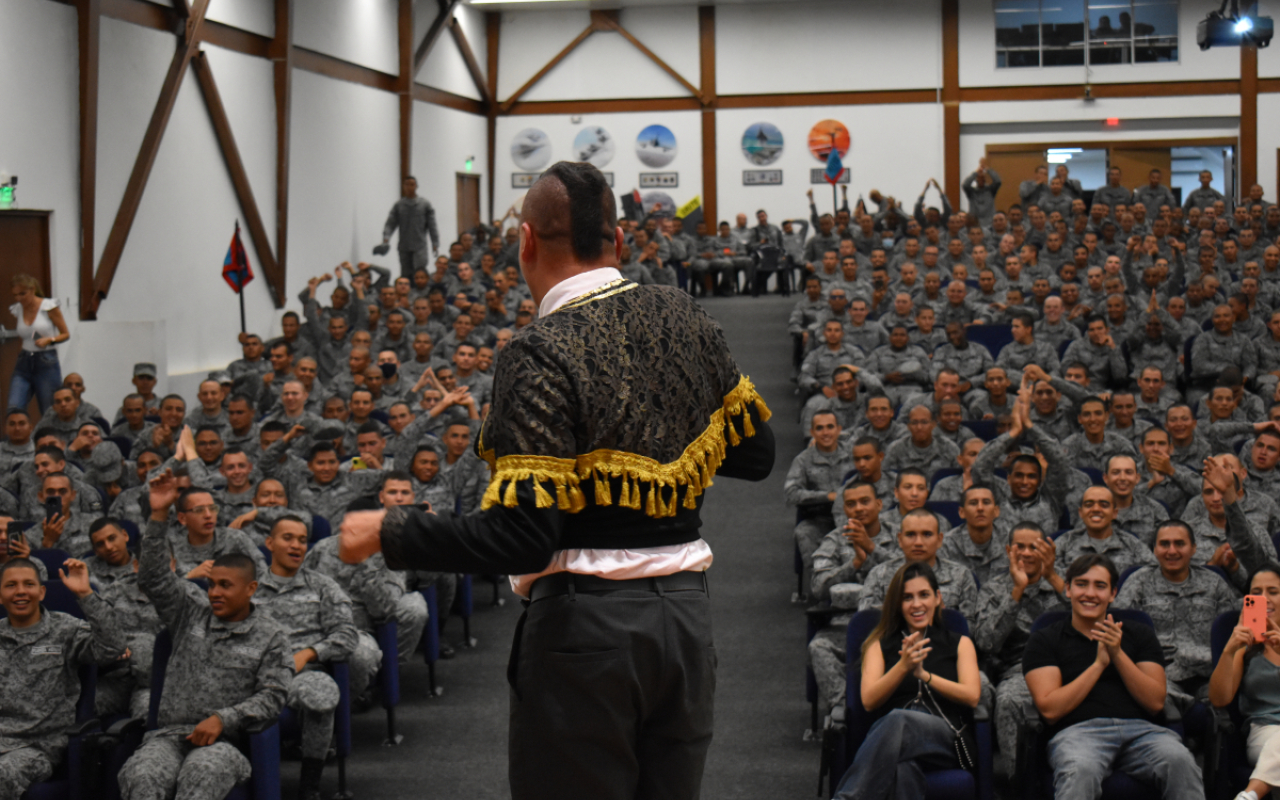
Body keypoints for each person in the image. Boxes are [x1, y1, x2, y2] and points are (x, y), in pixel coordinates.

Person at [338, 161, 775, 800]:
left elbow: (521, 537)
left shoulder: (538, 351)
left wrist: (390, 528)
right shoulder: (681, 314)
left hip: (585, 634)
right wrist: (648, 420)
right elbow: (756, 452)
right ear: (618, 242)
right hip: (685, 623)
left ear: (525, 241)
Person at [118, 470, 292, 800]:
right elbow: (153, 579)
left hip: (225, 741)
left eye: (225, 586)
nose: (214, 592)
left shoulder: (271, 636)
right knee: (140, 775)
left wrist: (223, 719)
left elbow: (274, 696)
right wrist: (157, 516)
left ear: (251, 589)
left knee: (201, 776)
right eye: (212, 584)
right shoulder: (190, 612)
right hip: (168, 735)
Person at [1022, 553, 1203, 799]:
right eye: (1082, 584)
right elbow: (1051, 710)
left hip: (1142, 731)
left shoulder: (1139, 634)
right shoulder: (1045, 639)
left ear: (1113, 594)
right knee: (1080, 769)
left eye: (1100, 586)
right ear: (1068, 589)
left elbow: (1155, 702)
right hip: (1078, 733)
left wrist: (1117, 654)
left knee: (1181, 761)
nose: (1090, 593)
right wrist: (1098, 665)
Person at [829, 561, 981, 800]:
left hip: (945, 738)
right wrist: (903, 667)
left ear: (938, 597)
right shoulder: (878, 644)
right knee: (902, 769)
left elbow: (972, 696)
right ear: (898, 604)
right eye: (907, 597)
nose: (917, 604)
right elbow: (869, 701)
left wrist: (924, 675)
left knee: (899, 720)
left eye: (924, 595)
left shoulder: (960, 643)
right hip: (891, 741)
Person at [256, 515, 367, 800]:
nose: (296, 546)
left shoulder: (323, 586)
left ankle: (309, 786)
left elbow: (347, 635)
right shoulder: (248, 587)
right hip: (252, 673)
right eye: (288, 538)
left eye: (302, 540)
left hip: (301, 675)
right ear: (270, 543)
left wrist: (309, 653)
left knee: (321, 690)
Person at [0, 555, 125, 797]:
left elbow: (113, 648)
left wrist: (86, 595)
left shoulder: (65, 630)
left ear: (42, 591)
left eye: (28, 584)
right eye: (11, 585)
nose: (20, 592)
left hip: (37, 747)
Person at [1115, 520, 1236, 705]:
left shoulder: (1214, 582)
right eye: (1164, 544)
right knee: (1166, 702)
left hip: (1208, 672)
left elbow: (1229, 632)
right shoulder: (1138, 581)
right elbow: (1122, 629)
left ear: (1193, 548)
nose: (1172, 551)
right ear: (1154, 549)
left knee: (1223, 700)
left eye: (1179, 544)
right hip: (1160, 673)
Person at [1208, 562, 1280, 800]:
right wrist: (1230, 649)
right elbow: (1219, 699)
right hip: (1264, 731)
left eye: (1273, 592)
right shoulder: (1245, 641)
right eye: (1256, 593)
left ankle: (1249, 796)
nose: (1264, 598)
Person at [4, 274, 70, 414]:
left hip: (45, 361)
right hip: (24, 361)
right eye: (15, 295)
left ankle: (49, 435)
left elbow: (65, 334)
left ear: (32, 290)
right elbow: (28, 334)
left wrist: (50, 339)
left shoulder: (48, 307)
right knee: (14, 407)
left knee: (49, 409)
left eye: (23, 294)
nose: (19, 299)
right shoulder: (18, 309)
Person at [378, 175, 439, 279]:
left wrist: (435, 243)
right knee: (406, 274)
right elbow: (390, 223)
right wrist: (386, 239)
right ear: (403, 186)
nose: (409, 187)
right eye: (407, 185)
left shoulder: (424, 205)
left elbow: (432, 225)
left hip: (420, 246)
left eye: (412, 185)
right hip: (404, 246)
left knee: (420, 272)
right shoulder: (399, 205)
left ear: (416, 186)